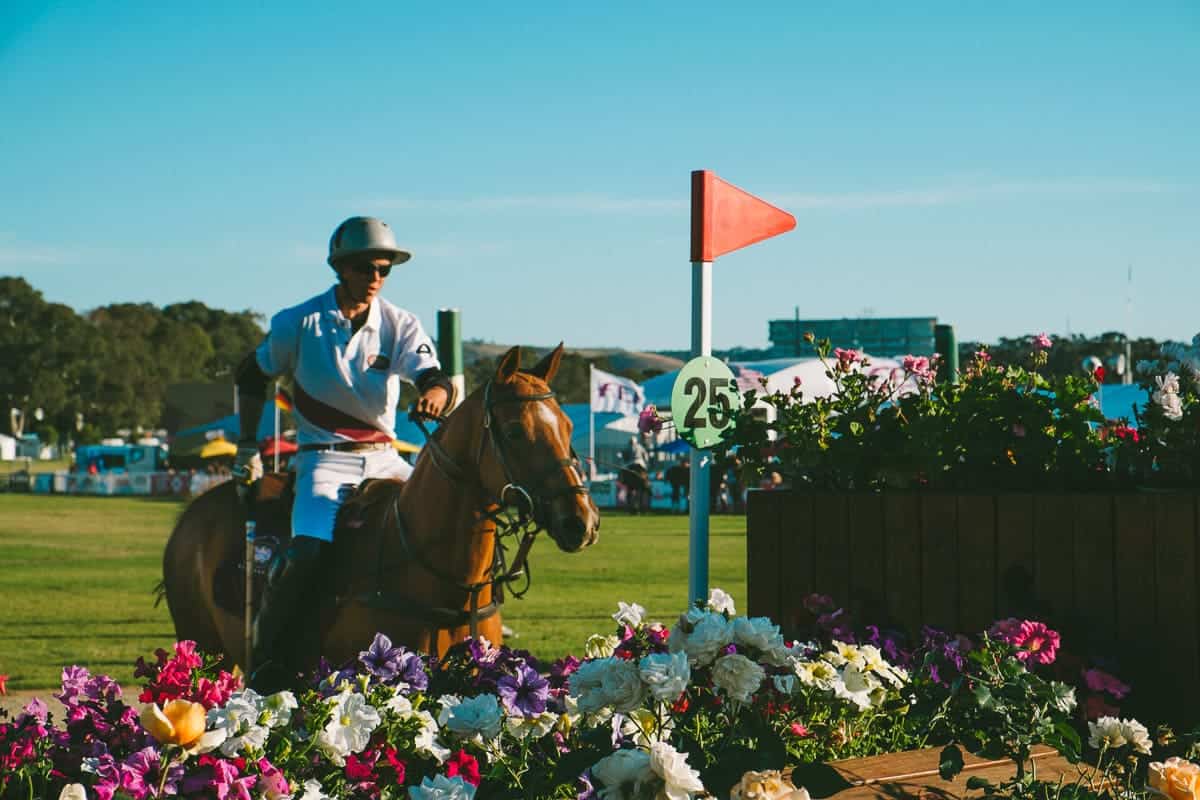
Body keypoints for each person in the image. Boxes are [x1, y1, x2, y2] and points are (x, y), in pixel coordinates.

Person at [232, 215, 452, 682]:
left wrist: (435, 392)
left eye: (384, 270)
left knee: (445, 528)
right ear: (341, 268)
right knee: (308, 553)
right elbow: (251, 374)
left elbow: (433, 376)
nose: (375, 279)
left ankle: (464, 639)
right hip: (323, 460)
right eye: (366, 268)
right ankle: (269, 660)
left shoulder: (401, 323)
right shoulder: (298, 321)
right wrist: (247, 444)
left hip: (386, 456)